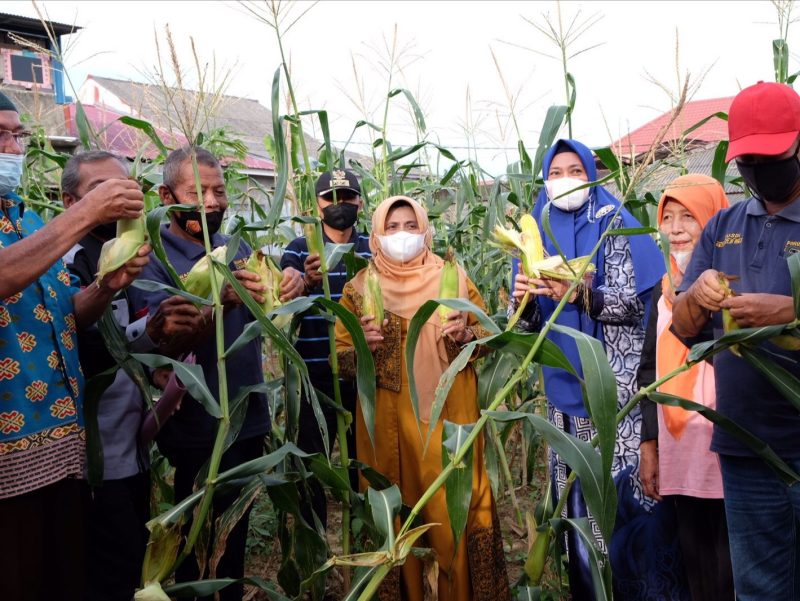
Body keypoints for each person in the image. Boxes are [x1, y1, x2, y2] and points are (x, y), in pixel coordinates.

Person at [511, 139, 688, 599]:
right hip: (563, 406)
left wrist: (582, 293)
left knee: (623, 517)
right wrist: (525, 304)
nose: (564, 179)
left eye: (575, 170)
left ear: (592, 175)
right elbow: (530, 325)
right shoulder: (536, 231)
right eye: (556, 171)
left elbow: (636, 305)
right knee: (577, 521)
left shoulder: (614, 227)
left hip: (617, 402)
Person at [0, 92, 149, 601]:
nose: (13, 147)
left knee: (63, 579)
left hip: (61, 447)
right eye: (0, 135)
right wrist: (86, 214)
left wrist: (108, 284)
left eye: (16, 135)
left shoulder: (26, 219)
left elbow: (65, 312)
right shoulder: (58, 226)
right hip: (7, 462)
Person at [335, 196, 509, 601]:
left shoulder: (456, 279)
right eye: (391, 227)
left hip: (450, 426)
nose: (401, 236)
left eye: (410, 226)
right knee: (395, 520)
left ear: (426, 231)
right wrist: (365, 348)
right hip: (388, 433)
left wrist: (468, 336)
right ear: (375, 234)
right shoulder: (358, 289)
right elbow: (341, 361)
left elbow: (489, 338)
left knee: (457, 516)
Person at [673, 81, 800, 601]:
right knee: (759, 592)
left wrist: (791, 313)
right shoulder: (722, 225)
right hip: (746, 448)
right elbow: (682, 328)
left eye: (773, 158)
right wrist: (699, 296)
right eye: (748, 161)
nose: (758, 171)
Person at [128, 146, 270, 601]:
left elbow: (270, 307)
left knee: (232, 543)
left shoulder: (239, 246)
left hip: (245, 416)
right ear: (167, 195)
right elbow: (161, 352)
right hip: (196, 425)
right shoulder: (152, 259)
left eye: (219, 191)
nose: (211, 202)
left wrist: (288, 285)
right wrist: (219, 302)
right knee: (194, 544)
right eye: (198, 192)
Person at [60, 150, 202, 601]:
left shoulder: (132, 253)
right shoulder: (66, 261)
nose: (115, 201)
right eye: (99, 191)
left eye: (122, 190)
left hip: (131, 451)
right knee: (106, 571)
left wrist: (162, 354)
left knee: (130, 564)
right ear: (69, 202)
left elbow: (130, 341)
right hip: (93, 462)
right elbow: (81, 344)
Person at [637, 174, 734, 601]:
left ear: (713, 221)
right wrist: (649, 445)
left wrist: (695, 309)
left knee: (733, 572)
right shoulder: (661, 293)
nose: (674, 229)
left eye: (688, 217)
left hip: (728, 451)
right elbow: (648, 373)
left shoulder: (732, 289)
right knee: (699, 575)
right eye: (667, 217)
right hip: (682, 455)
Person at [280, 168, 370, 529]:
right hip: (312, 378)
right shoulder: (301, 249)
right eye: (329, 198)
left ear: (359, 203)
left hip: (361, 375)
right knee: (311, 468)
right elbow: (285, 289)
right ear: (316, 205)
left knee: (362, 466)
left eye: (346, 197)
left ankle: (362, 533)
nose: (338, 205)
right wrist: (305, 281)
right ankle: (313, 543)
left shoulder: (371, 248)